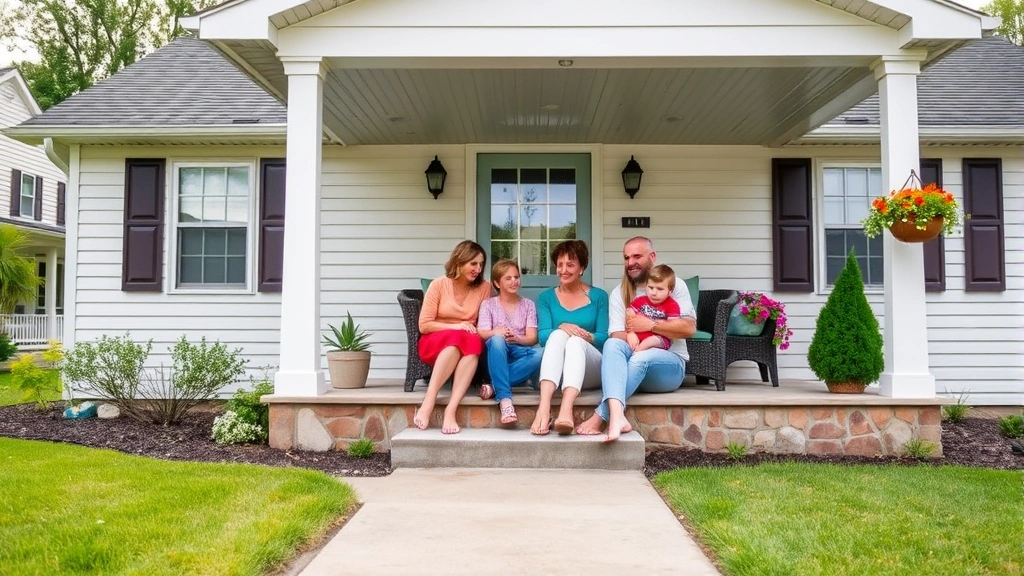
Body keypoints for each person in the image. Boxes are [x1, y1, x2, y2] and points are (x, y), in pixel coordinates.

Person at [577, 237, 695, 442]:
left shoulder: (674, 286)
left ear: (652, 257)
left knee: (641, 358)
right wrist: (633, 334)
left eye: (637, 256)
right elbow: (616, 334)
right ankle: (618, 418)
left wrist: (650, 326)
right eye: (626, 258)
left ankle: (601, 416)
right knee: (612, 344)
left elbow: (688, 328)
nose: (631, 263)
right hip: (633, 366)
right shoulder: (620, 293)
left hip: (669, 367)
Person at [415, 240, 493, 434]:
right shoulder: (439, 285)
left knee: (470, 343)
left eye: (481, 264)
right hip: (434, 341)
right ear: (460, 261)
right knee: (458, 341)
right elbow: (424, 325)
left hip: (466, 343)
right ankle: (429, 401)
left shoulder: (484, 287)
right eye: (473, 263)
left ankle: (451, 409)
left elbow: (482, 322)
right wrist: (457, 326)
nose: (478, 269)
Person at [534, 240, 609, 435]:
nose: (563, 270)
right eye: (560, 265)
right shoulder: (546, 298)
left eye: (570, 264)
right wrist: (563, 327)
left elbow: (604, 338)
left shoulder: (599, 296)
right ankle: (544, 407)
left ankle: (566, 409)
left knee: (575, 341)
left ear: (582, 268)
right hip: (557, 371)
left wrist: (585, 335)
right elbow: (542, 337)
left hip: (590, 368)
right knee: (558, 333)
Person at [477, 259, 542, 426]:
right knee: (497, 340)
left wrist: (518, 338)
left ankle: (493, 386)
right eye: (508, 278)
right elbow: (483, 333)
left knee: (543, 353)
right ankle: (505, 401)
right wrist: (496, 332)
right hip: (497, 353)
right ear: (497, 283)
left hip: (520, 352)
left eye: (516, 277)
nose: (514, 281)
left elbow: (532, 338)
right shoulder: (488, 304)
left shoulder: (528, 305)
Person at [626, 264, 681, 352]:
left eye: (659, 289)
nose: (654, 293)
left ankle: (638, 351)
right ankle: (635, 351)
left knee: (651, 340)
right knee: (626, 338)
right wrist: (631, 332)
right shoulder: (640, 300)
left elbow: (673, 328)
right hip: (637, 335)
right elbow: (629, 312)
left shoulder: (672, 305)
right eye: (650, 287)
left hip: (660, 339)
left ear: (670, 291)